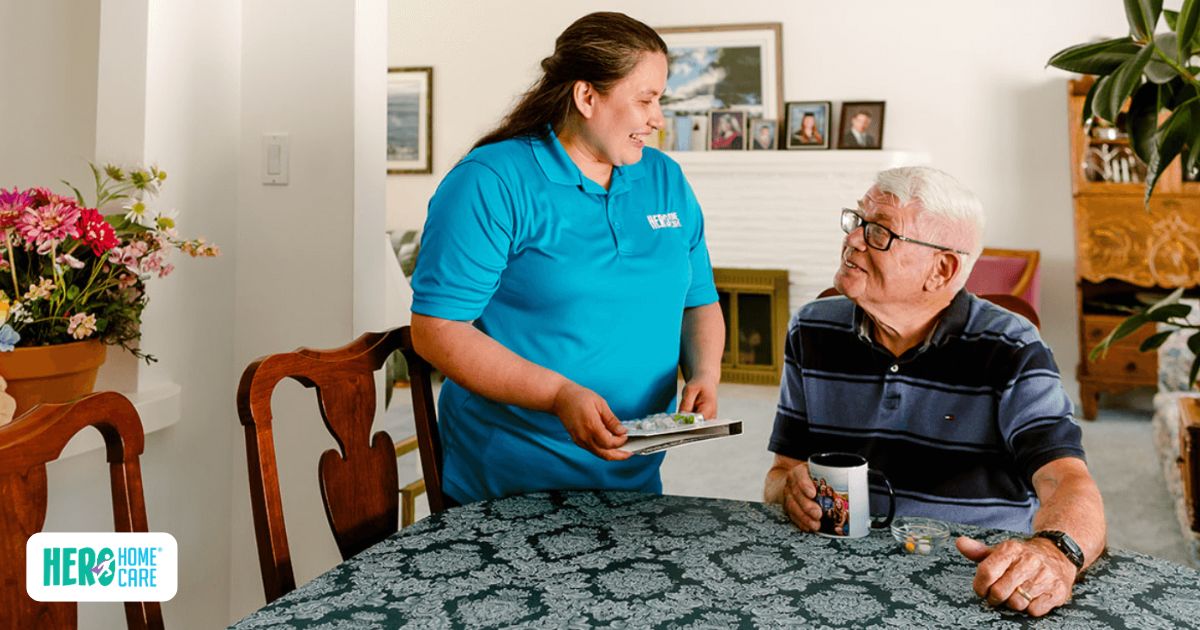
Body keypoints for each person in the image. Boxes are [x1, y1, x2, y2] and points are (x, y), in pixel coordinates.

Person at [410, 12, 724, 505]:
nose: (658, 118)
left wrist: (706, 371)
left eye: (659, 100)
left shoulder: (664, 178)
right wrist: (558, 395)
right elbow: (437, 330)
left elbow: (697, 300)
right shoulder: (490, 181)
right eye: (645, 99)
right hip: (510, 484)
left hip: (633, 477)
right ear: (586, 96)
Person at [762, 166, 1106, 617]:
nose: (853, 240)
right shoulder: (811, 329)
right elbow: (781, 472)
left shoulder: (1011, 347)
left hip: (971, 577)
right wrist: (791, 489)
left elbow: (1067, 480)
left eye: (880, 232)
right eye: (857, 222)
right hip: (837, 566)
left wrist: (1054, 552)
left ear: (941, 269)